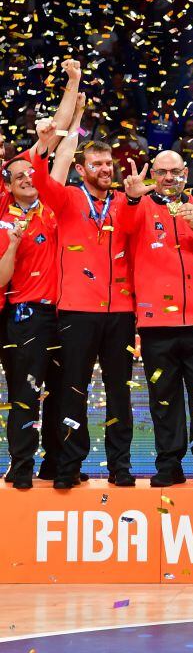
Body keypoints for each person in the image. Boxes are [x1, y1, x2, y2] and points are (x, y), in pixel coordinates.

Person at [33, 78, 138, 489]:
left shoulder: (126, 200)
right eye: (96, 164)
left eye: (108, 163)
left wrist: (131, 199)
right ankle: (69, 466)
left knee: (120, 394)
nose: (105, 169)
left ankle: (120, 467)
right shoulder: (68, 199)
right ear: (81, 170)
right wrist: (45, 145)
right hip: (76, 310)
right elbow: (42, 182)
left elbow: (131, 232)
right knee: (72, 392)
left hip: (120, 313)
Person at [121, 151, 193, 485]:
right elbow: (122, 230)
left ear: (186, 173)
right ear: (153, 174)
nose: (168, 177)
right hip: (156, 327)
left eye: (175, 171)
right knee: (163, 400)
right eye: (161, 172)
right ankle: (169, 465)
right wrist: (130, 197)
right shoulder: (139, 206)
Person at [0, 112, 78, 488]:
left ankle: (56, 465)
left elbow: (63, 156)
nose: (28, 180)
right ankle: (21, 468)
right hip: (25, 317)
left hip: (63, 318)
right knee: (25, 395)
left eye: (31, 176)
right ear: (9, 189)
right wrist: (13, 244)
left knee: (64, 394)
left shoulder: (53, 209)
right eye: (20, 178)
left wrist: (77, 114)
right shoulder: (5, 224)